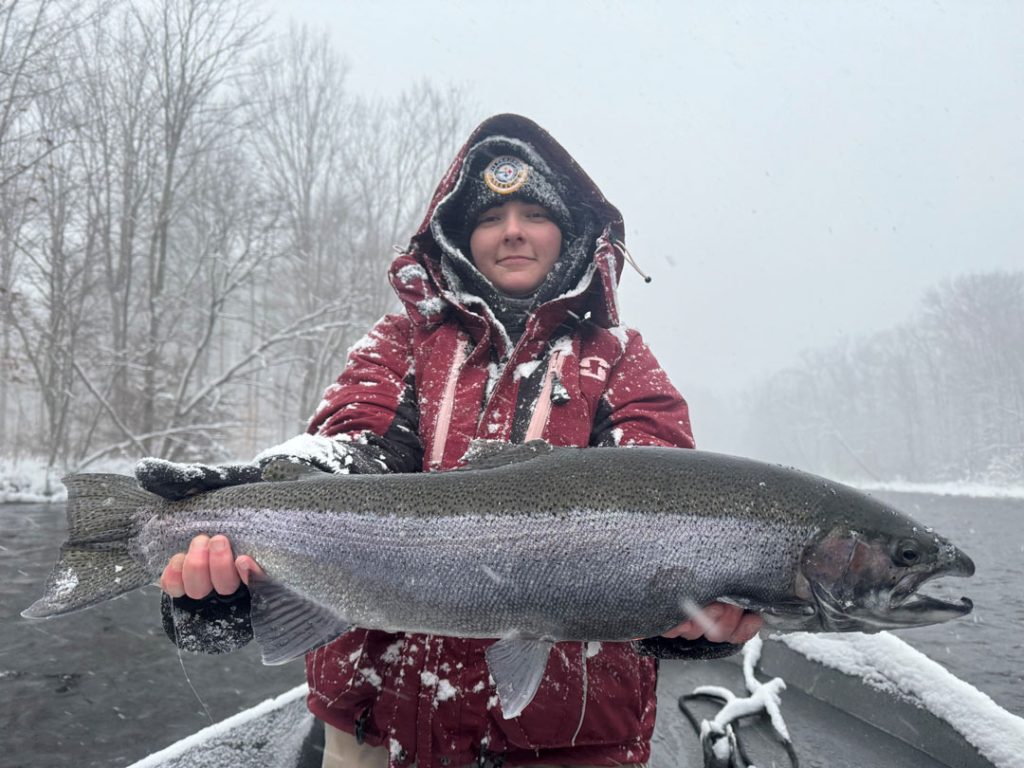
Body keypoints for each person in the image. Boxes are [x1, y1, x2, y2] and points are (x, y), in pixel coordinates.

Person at [138, 113, 762, 768]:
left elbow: (666, 502)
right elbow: (354, 452)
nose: (513, 230)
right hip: (377, 727)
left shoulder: (622, 361)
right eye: (492, 217)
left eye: (534, 213)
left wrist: (690, 621)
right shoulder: (399, 345)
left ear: (570, 232)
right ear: (462, 237)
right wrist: (251, 519)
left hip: (568, 746)